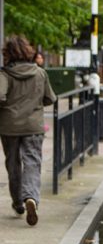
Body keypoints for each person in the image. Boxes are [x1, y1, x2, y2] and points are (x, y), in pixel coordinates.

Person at [0, 36, 56, 225]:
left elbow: (0, 96)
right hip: (33, 126)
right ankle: (31, 197)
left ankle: (18, 203)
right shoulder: (40, 73)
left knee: (13, 164)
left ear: (8, 53)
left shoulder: (5, 74)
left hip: (9, 126)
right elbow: (50, 98)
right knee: (32, 161)